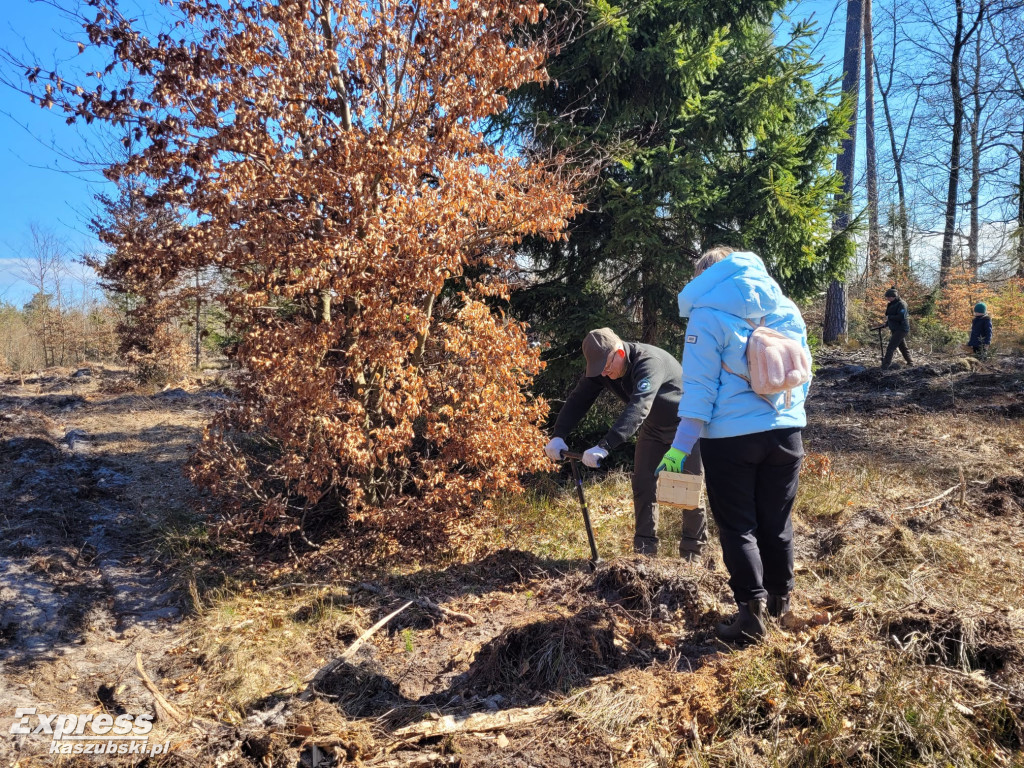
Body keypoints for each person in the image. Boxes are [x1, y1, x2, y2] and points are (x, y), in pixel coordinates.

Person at [657, 247, 810, 643]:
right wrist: (786, 416)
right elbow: (803, 373)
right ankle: (781, 604)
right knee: (776, 521)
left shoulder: (705, 316)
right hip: (785, 434)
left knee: (737, 525)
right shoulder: (785, 307)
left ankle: (751, 616)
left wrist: (678, 448)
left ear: (707, 276)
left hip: (730, 440)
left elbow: (699, 390)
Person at [544, 328, 708, 560]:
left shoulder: (649, 363)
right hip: (653, 428)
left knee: (685, 488)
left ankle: (693, 556)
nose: (605, 372)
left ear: (619, 352)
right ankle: (644, 555)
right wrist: (558, 434)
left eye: (608, 366)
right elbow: (579, 399)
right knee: (643, 484)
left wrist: (605, 445)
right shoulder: (603, 367)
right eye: (600, 369)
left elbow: (639, 407)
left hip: (686, 427)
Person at [875, 287, 913, 369]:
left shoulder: (902, 304)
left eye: (888, 297)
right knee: (902, 347)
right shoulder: (892, 304)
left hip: (901, 329)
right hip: (895, 329)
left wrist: (890, 318)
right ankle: (910, 363)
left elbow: (901, 316)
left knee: (891, 347)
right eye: (887, 297)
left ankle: (885, 366)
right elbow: (891, 316)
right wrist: (887, 324)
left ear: (894, 296)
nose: (887, 298)